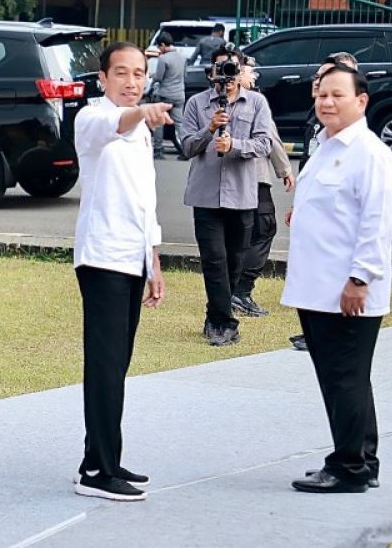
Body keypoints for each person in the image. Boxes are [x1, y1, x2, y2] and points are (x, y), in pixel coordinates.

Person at [283, 64, 392, 493]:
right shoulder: (326, 146)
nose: (326, 102)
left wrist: (360, 278)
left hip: (345, 290)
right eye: (321, 95)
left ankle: (348, 467)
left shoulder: (369, 153)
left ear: (361, 101)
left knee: (344, 378)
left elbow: (377, 222)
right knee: (346, 377)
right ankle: (362, 459)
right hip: (317, 288)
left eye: (337, 95)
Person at [72, 42, 170, 502]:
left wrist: (154, 261)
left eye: (139, 74)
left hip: (132, 257)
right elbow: (117, 123)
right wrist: (142, 112)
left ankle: (101, 457)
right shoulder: (92, 118)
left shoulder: (142, 129)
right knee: (105, 367)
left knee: (118, 366)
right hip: (102, 258)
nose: (132, 82)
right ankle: (97, 471)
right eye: (123, 74)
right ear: (103, 79)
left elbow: (144, 199)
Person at [180, 46, 272, 346]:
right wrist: (209, 129)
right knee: (214, 261)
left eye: (233, 67)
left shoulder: (256, 103)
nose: (227, 74)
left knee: (234, 262)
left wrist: (234, 146)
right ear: (212, 72)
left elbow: (264, 145)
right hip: (205, 197)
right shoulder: (196, 104)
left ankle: (214, 314)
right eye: (222, 68)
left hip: (242, 197)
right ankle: (223, 323)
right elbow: (187, 147)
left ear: (241, 70)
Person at [290, 51, 359, 351]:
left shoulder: (356, 136)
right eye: (318, 78)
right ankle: (313, 330)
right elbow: (309, 163)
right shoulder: (315, 117)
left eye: (326, 77)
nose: (317, 83)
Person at [231, 58, 295, 318]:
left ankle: (234, 290)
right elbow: (271, 139)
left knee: (240, 235)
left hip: (229, 182)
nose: (254, 76)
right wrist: (285, 170)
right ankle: (241, 291)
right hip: (254, 177)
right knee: (264, 228)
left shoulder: (217, 99)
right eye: (249, 71)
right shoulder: (254, 101)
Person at [144, 32, 186, 159]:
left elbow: (159, 78)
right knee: (180, 124)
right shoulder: (183, 57)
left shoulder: (163, 59)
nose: (158, 50)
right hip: (179, 94)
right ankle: (185, 149)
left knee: (159, 122)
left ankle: (158, 150)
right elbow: (185, 75)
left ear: (162, 45)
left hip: (165, 95)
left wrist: (152, 75)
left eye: (159, 47)